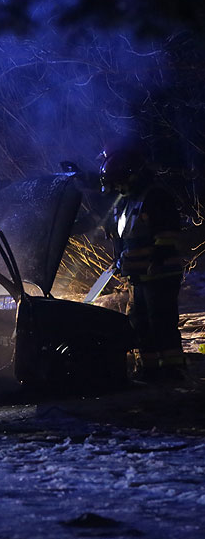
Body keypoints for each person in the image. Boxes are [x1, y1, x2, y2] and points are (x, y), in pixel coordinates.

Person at [99, 143, 185, 380]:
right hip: (139, 278)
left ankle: (172, 369)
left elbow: (167, 233)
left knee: (162, 323)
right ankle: (149, 369)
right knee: (140, 324)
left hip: (160, 275)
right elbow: (128, 238)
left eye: (119, 181)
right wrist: (120, 261)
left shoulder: (155, 197)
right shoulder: (129, 201)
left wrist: (157, 259)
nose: (117, 187)